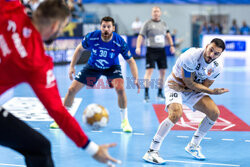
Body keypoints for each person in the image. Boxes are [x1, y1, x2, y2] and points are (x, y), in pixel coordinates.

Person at [0, 0, 120, 166]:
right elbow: (58, 112)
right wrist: (92, 149)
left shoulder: (11, 8)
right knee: (40, 149)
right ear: (55, 25)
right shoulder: (36, 63)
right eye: (62, 27)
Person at [143, 38, 229, 164]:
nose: (212, 55)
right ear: (206, 46)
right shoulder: (191, 55)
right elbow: (189, 82)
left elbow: (203, 86)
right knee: (176, 113)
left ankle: (193, 146)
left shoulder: (217, 67)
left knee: (214, 112)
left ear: (220, 55)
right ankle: (151, 151)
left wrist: (198, 89)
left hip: (189, 90)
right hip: (175, 85)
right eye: (211, 50)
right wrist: (211, 92)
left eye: (216, 53)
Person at [50, 16, 140, 132]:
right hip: (93, 67)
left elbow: (131, 61)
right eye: (103, 26)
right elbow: (79, 49)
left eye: (108, 27)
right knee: (71, 89)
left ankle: (125, 122)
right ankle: (61, 119)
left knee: (120, 89)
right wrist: (72, 66)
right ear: (100, 27)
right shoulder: (92, 37)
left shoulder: (119, 42)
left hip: (112, 67)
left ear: (113, 28)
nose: (106, 29)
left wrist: (136, 78)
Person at [135, 6, 175, 103]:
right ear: (152, 13)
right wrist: (138, 47)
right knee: (149, 72)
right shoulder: (147, 24)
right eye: (154, 12)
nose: (156, 13)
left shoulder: (164, 24)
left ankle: (160, 93)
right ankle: (146, 94)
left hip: (161, 51)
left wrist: (172, 45)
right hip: (151, 51)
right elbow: (140, 36)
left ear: (160, 13)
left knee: (163, 72)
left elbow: (168, 35)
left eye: (157, 11)